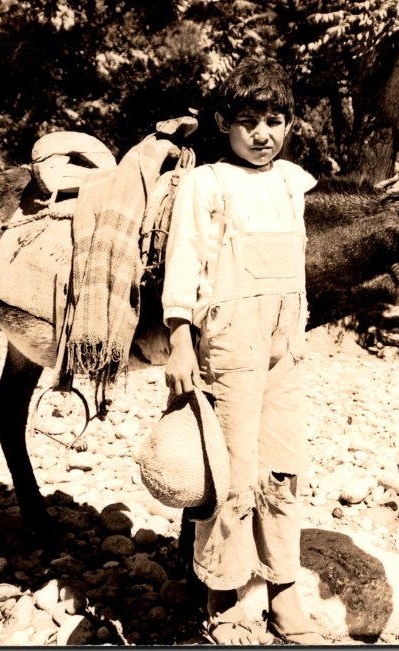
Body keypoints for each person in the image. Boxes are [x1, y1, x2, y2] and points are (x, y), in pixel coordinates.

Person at [161, 57, 325, 646]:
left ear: (290, 125)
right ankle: (223, 590)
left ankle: (283, 587)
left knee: (282, 464)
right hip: (228, 338)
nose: (262, 134)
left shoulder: (292, 183)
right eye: (248, 122)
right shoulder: (208, 182)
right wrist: (180, 339)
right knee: (229, 468)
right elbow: (185, 260)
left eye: (274, 122)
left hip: (286, 341)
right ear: (224, 124)